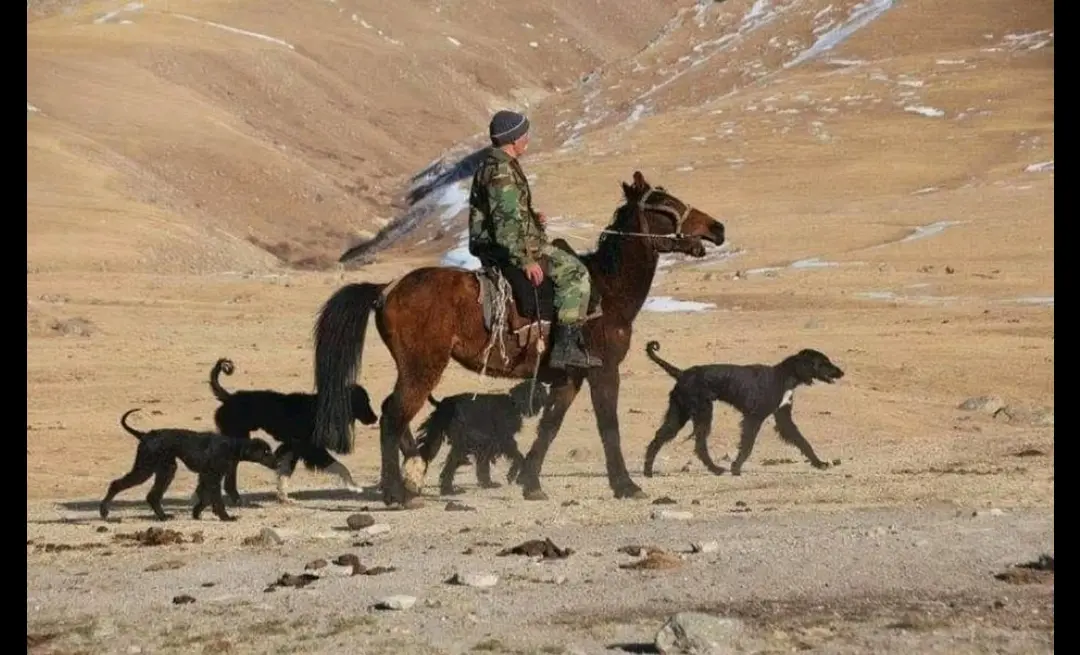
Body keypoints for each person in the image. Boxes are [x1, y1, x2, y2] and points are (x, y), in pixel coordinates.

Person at [467, 109, 602, 370]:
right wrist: (525, 260)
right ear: (513, 139)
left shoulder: (492, 164)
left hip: (500, 242)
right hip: (507, 249)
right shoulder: (502, 173)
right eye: (524, 134)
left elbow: (506, 212)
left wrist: (530, 217)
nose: (527, 139)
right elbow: (506, 226)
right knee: (576, 273)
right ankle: (564, 348)